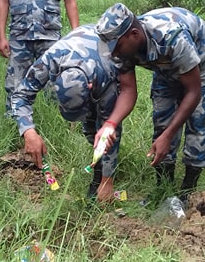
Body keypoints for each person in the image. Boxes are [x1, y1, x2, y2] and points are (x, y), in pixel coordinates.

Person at [95, 3, 205, 203]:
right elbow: (128, 91)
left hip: (201, 60)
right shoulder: (122, 47)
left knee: (197, 121)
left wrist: (169, 136)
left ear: (134, 34)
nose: (114, 54)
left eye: (116, 47)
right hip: (165, 67)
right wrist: (110, 124)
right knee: (162, 120)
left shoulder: (172, 36)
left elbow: (194, 92)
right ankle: (163, 189)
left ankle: (188, 191)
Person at [10, 25, 137, 202]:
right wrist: (28, 131)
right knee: (90, 131)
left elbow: (110, 129)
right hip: (77, 50)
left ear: (90, 88)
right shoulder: (50, 61)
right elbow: (20, 95)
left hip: (100, 59)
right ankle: (98, 167)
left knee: (101, 129)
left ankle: (101, 175)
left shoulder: (106, 71)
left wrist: (108, 181)